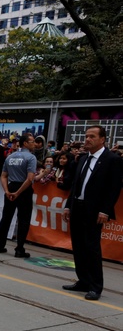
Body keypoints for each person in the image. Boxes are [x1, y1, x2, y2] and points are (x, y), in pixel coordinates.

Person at [62, 126, 122, 301]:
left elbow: (114, 188)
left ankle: (95, 286)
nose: (87, 139)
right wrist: (68, 206)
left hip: (95, 210)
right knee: (78, 245)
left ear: (102, 139)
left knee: (91, 247)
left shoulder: (112, 159)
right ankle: (83, 281)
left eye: (92, 136)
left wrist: (105, 210)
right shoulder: (83, 158)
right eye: (86, 136)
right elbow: (75, 185)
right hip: (77, 207)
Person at [0, 133, 36, 258]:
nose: (34, 144)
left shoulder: (10, 157)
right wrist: (18, 192)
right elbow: (30, 179)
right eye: (32, 142)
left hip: (11, 186)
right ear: (25, 143)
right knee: (23, 219)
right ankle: (19, 249)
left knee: (6, 217)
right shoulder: (31, 157)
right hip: (24, 190)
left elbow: (3, 176)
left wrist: (7, 191)